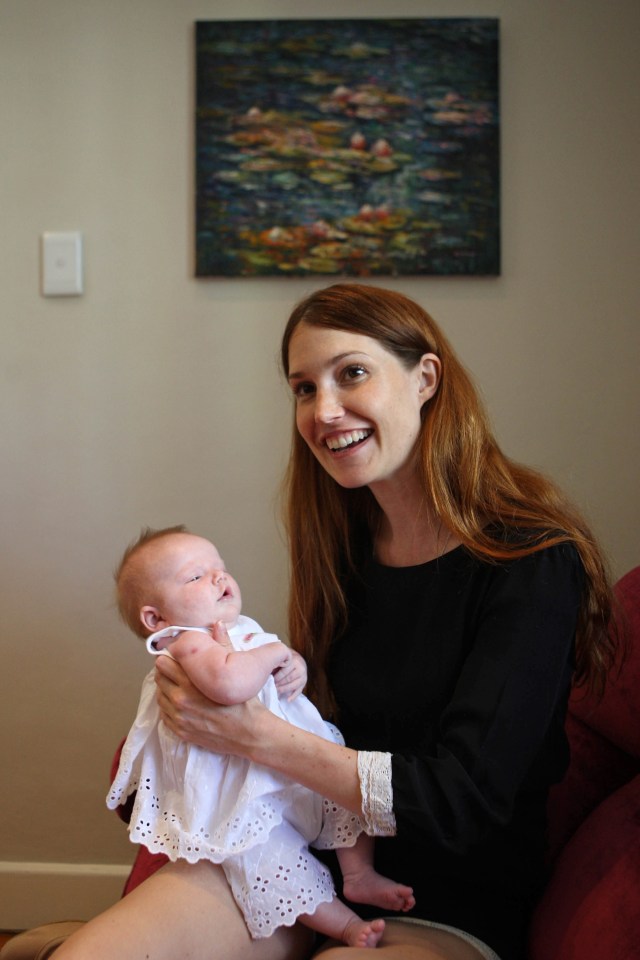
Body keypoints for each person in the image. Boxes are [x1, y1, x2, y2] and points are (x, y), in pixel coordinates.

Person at [56, 282, 619, 960]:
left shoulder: (530, 561)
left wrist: (256, 737)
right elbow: (306, 714)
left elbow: (462, 799)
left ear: (425, 379)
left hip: (450, 898)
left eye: (351, 373)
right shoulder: (343, 549)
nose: (324, 411)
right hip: (294, 863)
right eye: (302, 388)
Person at [107, 526, 414, 948]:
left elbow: (271, 679)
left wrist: (294, 668)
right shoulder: (185, 643)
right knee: (272, 863)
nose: (219, 578)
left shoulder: (237, 629)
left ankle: (359, 875)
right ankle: (346, 926)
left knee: (347, 799)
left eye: (221, 568)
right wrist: (276, 653)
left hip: (289, 768)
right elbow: (231, 685)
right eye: (196, 576)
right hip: (242, 796)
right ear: (155, 618)